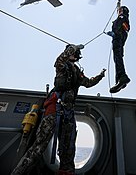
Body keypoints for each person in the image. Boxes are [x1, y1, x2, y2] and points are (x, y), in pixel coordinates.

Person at [11, 44, 106, 175]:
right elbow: (58, 61)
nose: (72, 53)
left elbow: (88, 83)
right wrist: (73, 47)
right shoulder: (62, 65)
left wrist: (100, 76)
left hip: (68, 114)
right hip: (54, 110)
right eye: (70, 51)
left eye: (73, 52)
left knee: (68, 151)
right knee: (38, 147)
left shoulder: (77, 72)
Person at [106, 6, 130, 93]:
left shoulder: (122, 17)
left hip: (118, 39)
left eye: (119, 10)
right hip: (119, 40)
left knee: (117, 58)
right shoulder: (124, 18)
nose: (118, 11)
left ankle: (122, 77)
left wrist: (115, 34)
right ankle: (119, 81)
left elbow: (120, 26)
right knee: (117, 59)